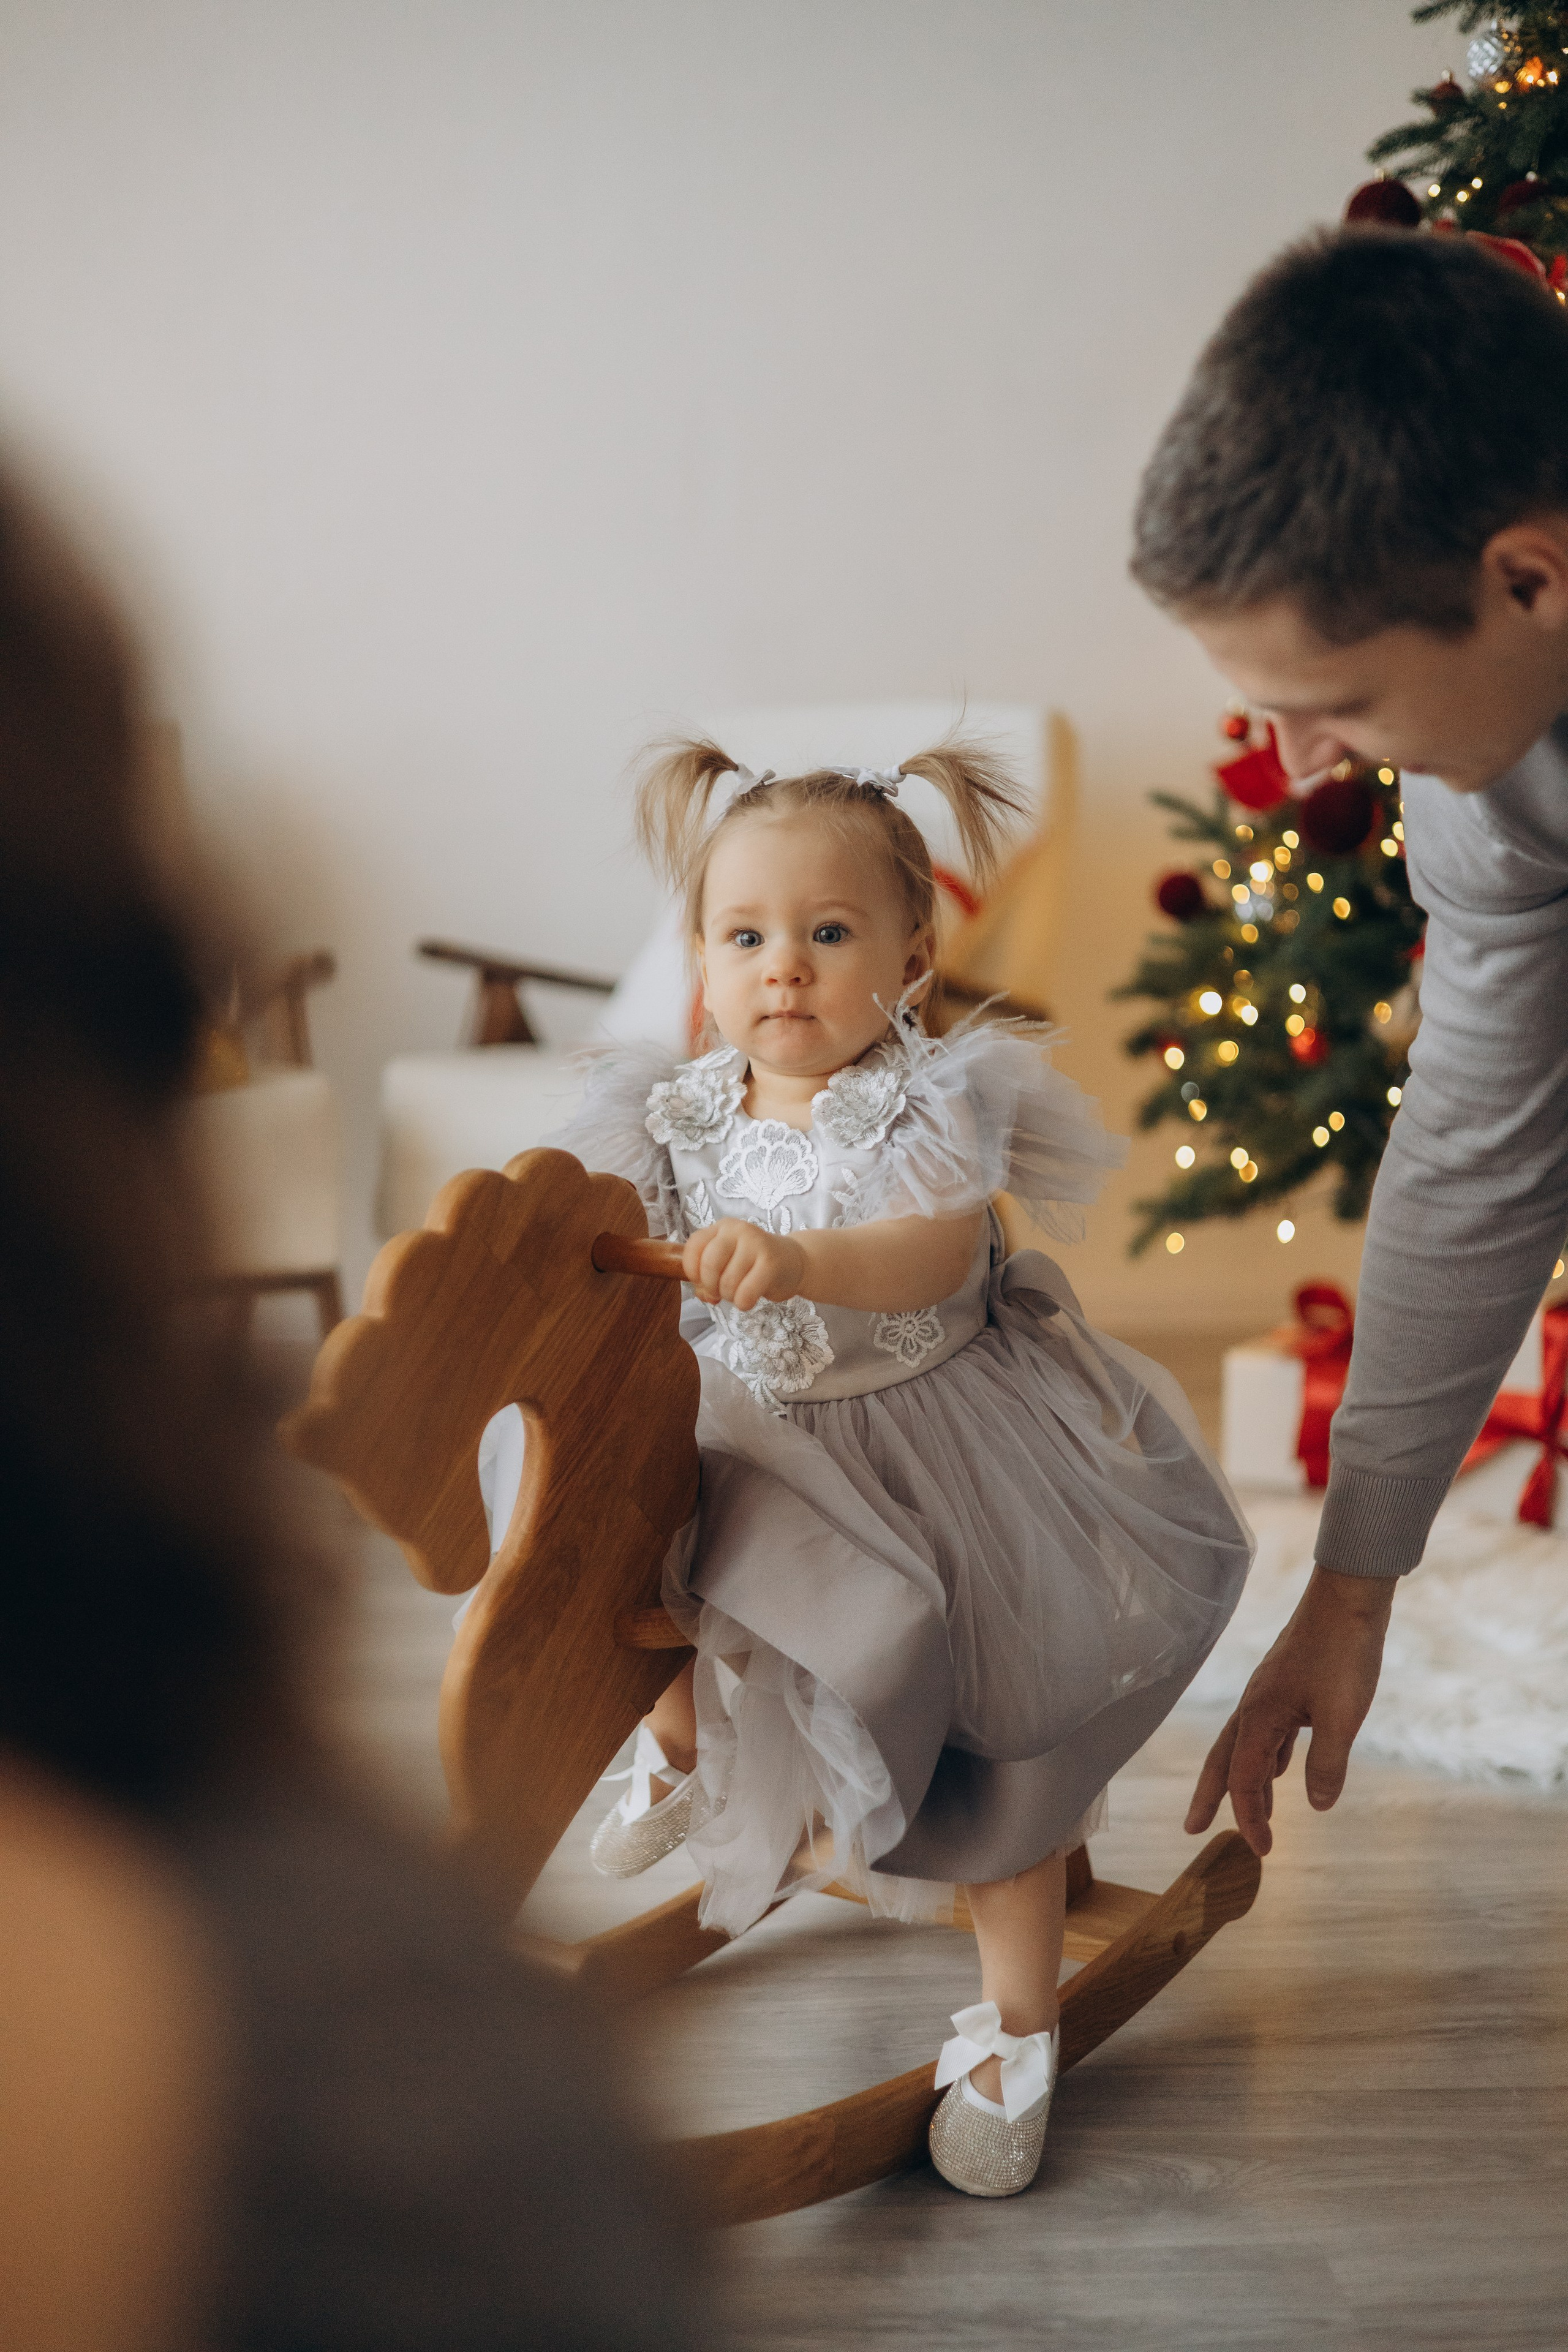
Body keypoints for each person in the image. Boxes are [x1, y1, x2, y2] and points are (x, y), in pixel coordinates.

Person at [0, 466, 705, 2349]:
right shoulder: (393, 2080)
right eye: (743, 941)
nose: (775, 975)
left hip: (828, 1348)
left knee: (836, 1556)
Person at [552, 738, 1254, 2198]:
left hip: (930, 1448)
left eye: (826, 934)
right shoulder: (676, 1113)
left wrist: (801, 1257)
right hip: (744, 1444)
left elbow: (931, 1252)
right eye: (745, 937)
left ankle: (1016, 2028)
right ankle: (678, 1748)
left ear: (912, 954)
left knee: (986, 1740)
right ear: (699, 955)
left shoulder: (928, 1102)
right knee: (609, 1512)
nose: (783, 972)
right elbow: (600, 1254)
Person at [1131, 226, 1568, 1861]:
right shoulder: (1489, 795)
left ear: (1528, 578)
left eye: (1340, 704)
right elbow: (1478, 1146)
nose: (1303, 766)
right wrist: (1357, 1581)